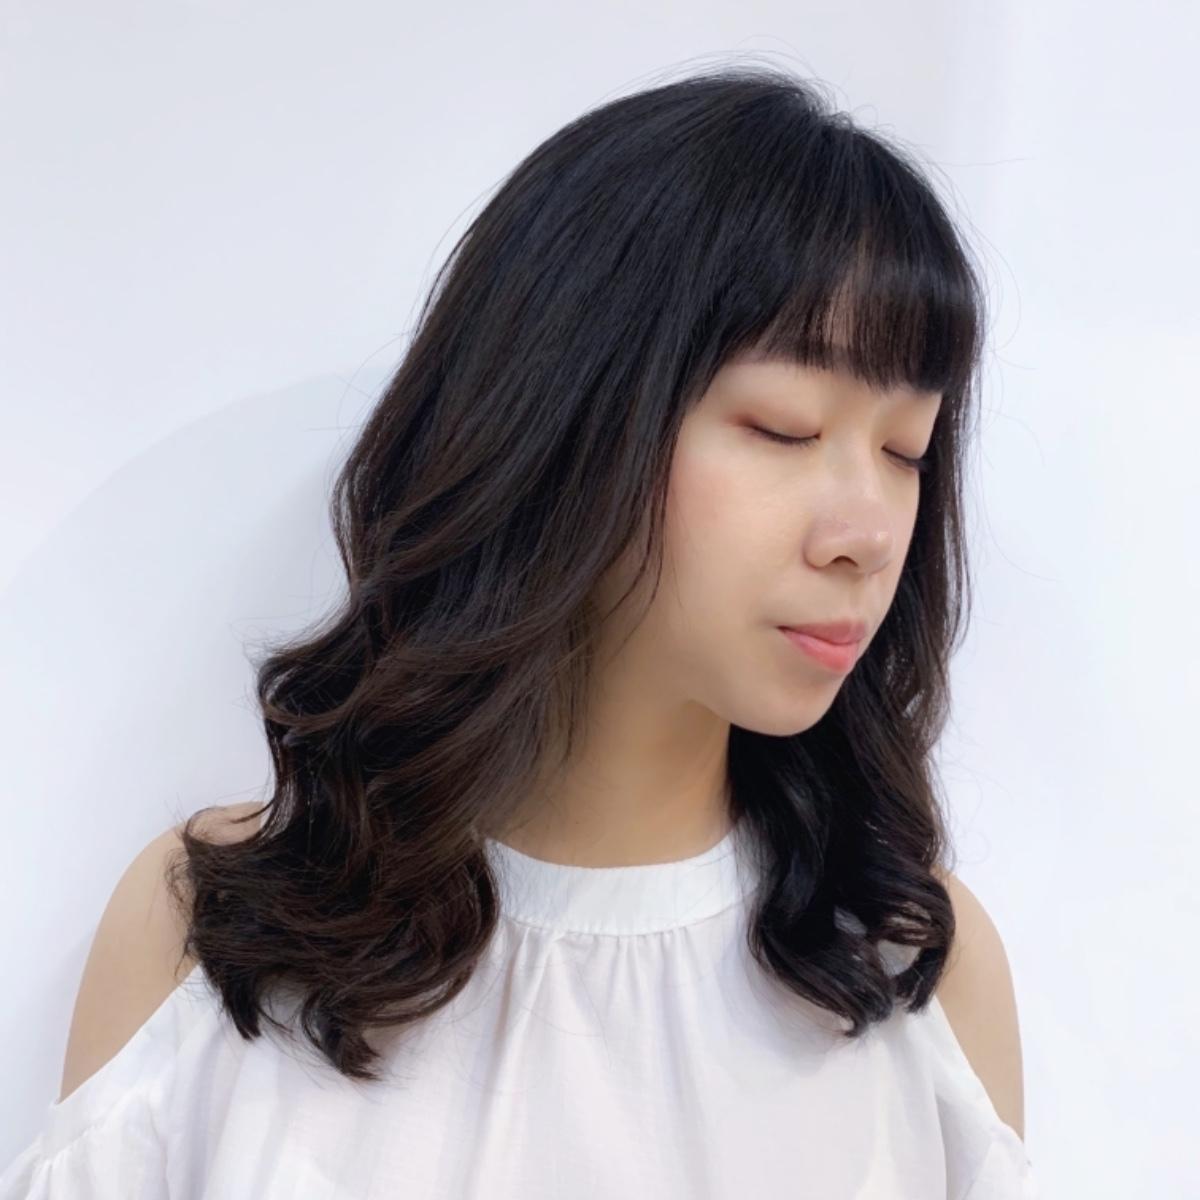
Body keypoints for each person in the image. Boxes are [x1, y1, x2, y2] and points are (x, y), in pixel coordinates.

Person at [0, 63, 1040, 1198]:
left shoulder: (913, 977)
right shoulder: (210, 949)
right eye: (784, 428)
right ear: (567, 413)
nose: (869, 533)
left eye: (906, 451)